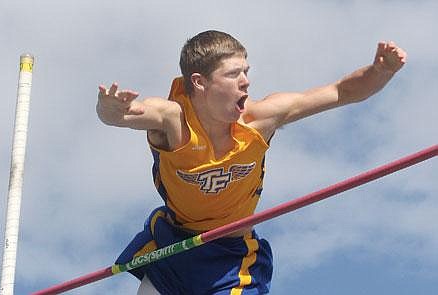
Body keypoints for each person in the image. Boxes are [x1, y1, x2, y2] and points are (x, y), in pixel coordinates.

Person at [96, 30, 406, 294]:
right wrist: (109, 107)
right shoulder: (172, 119)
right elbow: (121, 116)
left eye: (246, 71)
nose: (246, 82)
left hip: (230, 257)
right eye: (233, 74)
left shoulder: (260, 119)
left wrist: (381, 71)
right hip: (174, 246)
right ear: (200, 82)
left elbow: (341, 92)